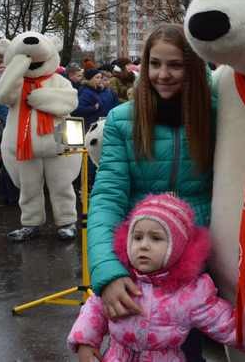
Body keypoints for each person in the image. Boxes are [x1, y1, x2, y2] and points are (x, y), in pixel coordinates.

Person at [88, 23, 215, 361]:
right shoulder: (121, 120)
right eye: (154, 64)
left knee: (198, 350)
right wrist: (107, 272)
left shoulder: (216, 114)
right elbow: (107, 198)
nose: (163, 74)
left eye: (175, 65)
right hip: (144, 261)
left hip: (201, 262)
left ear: (193, 67)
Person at [69, 194, 245, 361]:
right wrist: (84, 343)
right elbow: (94, 310)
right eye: (137, 237)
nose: (144, 246)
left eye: (156, 238)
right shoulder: (122, 281)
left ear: (178, 246)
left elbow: (229, 325)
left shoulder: (190, 294)